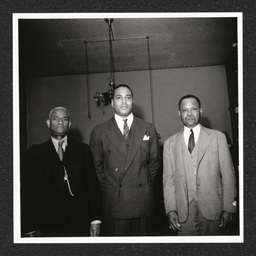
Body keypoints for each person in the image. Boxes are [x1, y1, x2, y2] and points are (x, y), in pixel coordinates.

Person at [89, 84, 161, 236]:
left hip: (142, 201)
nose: (124, 102)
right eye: (119, 97)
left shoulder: (148, 128)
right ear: (113, 103)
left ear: (132, 101)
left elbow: (154, 163)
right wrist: (111, 186)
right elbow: (96, 168)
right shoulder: (99, 131)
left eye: (128, 97)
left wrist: (142, 179)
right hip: (115, 203)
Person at [163, 95, 237, 236]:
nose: (189, 113)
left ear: (201, 111)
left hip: (214, 208)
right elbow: (168, 181)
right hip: (184, 212)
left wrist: (229, 208)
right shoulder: (169, 144)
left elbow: (228, 175)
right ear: (179, 113)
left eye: (194, 109)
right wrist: (171, 209)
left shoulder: (218, 137)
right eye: (185, 110)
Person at [21, 106, 101, 237]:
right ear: (48, 123)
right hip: (47, 225)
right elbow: (28, 194)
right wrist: (29, 228)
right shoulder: (34, 155)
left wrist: (95, 220)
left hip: (79, 223)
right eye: (56, 118)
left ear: (69, 124)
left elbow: (92, 186)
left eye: (64, 119)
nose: (60, 122)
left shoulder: (83, 151)